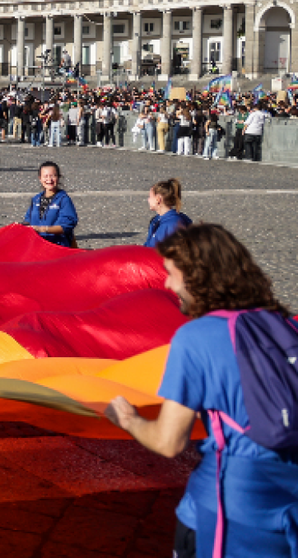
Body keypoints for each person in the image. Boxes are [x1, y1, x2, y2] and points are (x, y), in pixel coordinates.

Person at [105, 224, 298, 558]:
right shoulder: (286, 326)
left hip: (227, 511)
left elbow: (168, 442)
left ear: (197, 276)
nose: (168, 285)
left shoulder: (197, 337)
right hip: (287, 508)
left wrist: (129, 419)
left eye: (171, 274)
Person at [23, 161, 77, 248]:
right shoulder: (36, 199)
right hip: (37, 246)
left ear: (58, 177)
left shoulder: (63, 199)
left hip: (57, 247)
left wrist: (42, 229)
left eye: (53, 176)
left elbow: (67, 225)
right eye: (45, 176)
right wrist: (20, 226)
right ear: (40, 178)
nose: (49, 180)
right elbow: (28, 220)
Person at [143, 178, 191, 249]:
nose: (148, 200)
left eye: (150, 196)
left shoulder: (173, 224)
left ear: (158, 199)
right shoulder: (158, 220)